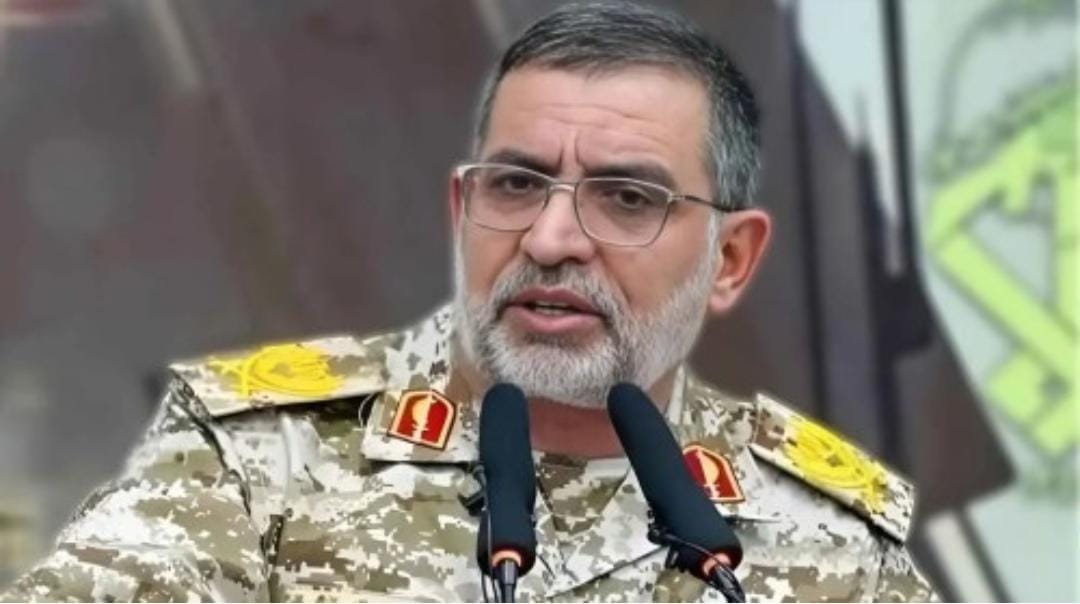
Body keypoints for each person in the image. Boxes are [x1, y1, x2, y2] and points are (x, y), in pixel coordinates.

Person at [2, 2, 937, 601]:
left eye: (625, 199)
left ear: (732, 258)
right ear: (465, 207)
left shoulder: (823, 531)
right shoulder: (247, 464)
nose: (553, 239)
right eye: (517, 187)